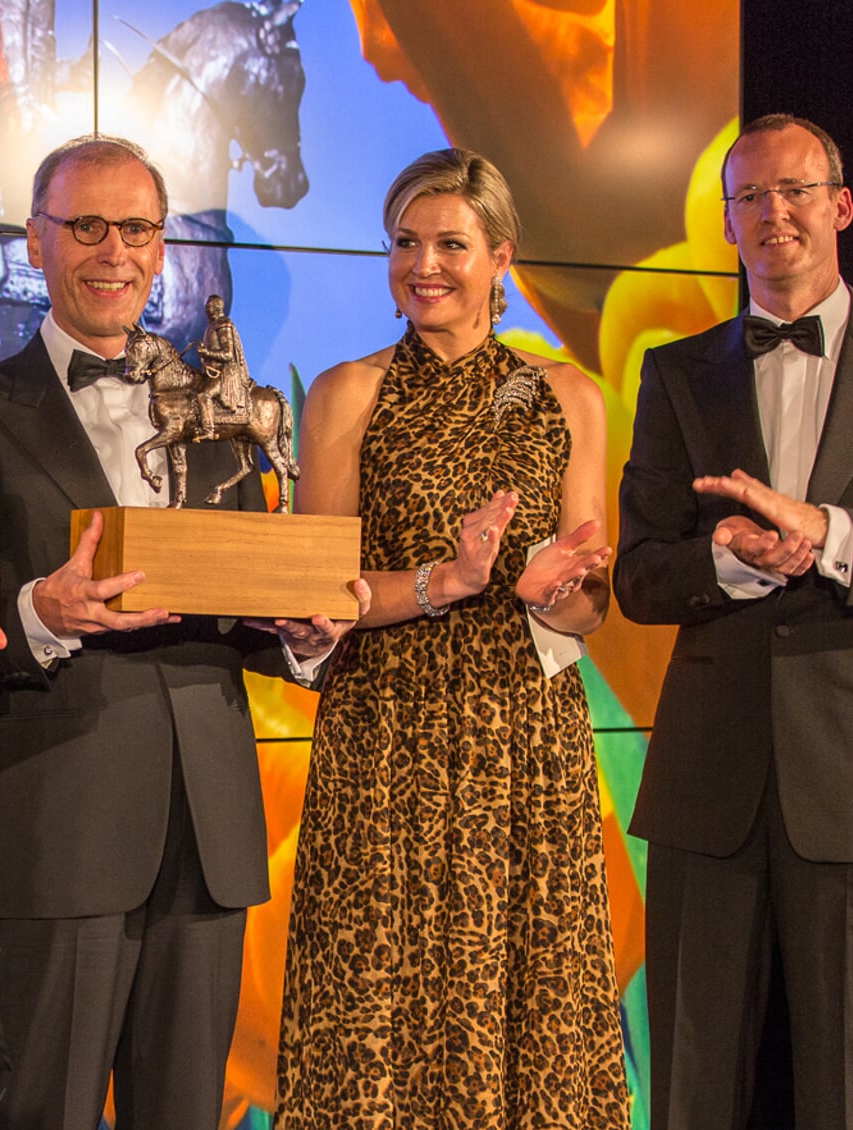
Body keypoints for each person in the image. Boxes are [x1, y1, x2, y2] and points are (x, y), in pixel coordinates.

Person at [0, 134, 353, 1130]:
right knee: (50, 1107)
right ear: (36, 241)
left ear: (161, 248)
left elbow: (244, 605)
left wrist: (304, 636)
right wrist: (37, 611)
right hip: (62, 823)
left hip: (211, 825)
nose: (114, 250)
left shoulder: (217, 410)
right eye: (87, 226)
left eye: (137, 228)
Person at [616, 114, 853, 1129]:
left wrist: (828, 532)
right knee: (691, 1084)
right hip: (708, 781)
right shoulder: (677, 371)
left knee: (849, 1089)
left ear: (841, 205)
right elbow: (641, 578)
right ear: (727, 225)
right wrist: (726, 560)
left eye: (795, 190)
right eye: (749, 198)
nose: (773, 213)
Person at [276, 147, 627, 1126]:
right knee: (376, 1008)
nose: (422, 263)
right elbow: (320, 592)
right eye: (404, 241)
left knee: (528, 1006)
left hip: (525, 744)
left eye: (450, 243)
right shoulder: (348, 394)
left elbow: (586, 607)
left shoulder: (571, 399)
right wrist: (452, 580)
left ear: (501, 256)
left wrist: (552, 592)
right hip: (385, 735)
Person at [195, 293, 251, 433]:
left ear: (215, 307)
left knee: (204, 395)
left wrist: (206, 353)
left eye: (209, 306)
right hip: (212, 372)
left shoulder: (223, 324)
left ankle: (208, 430)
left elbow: (228, 354)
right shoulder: (211, 326)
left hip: (225, 373)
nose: (206, 310)